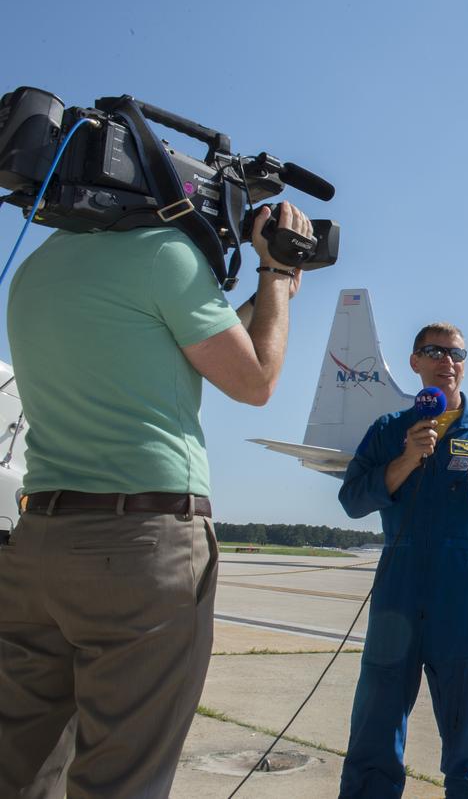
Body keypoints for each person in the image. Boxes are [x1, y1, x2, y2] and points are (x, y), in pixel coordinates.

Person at [0, 204, 314, 796]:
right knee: (123, 777)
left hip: (38, 542)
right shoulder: (163, 255)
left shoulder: (39, 268)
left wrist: (257, 300)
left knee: (19, 766)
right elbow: (254, 381)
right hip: (138, 549)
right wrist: (275, 280)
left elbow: (185, 346)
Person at [338, 323, 468, 798]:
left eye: (456, 353)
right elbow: (353, 500)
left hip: (462, 592)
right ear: (414, 362)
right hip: (398, 588)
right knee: (376, 717)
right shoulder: (387, 432)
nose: (447, 360)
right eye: (434, 351)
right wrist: (405, 460)